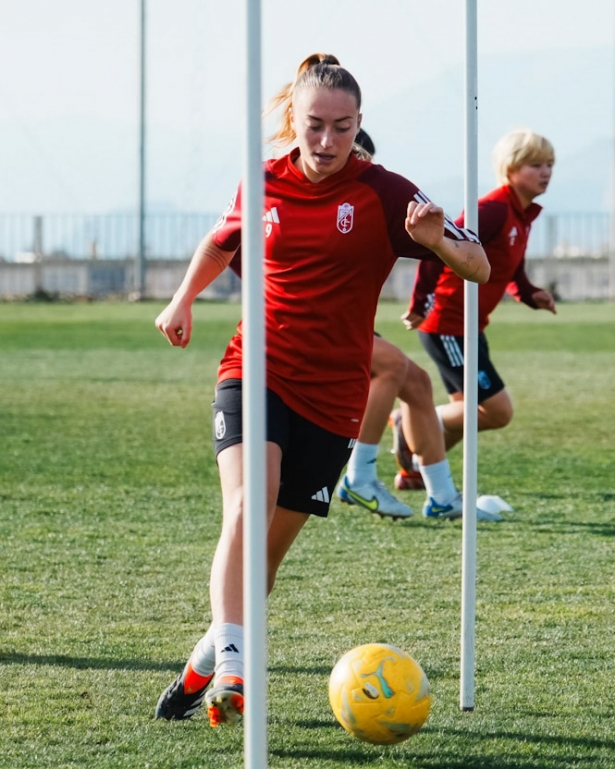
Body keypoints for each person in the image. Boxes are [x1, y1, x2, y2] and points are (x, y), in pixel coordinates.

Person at [153, 53, 490, 727]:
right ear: (293, 121)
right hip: (257, 366)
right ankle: (235, 670)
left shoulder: (385, 192)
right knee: (248, 504)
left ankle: (205, 660)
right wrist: (182, 299)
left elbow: (476, 265)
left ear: (358, 124)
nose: (328, 141)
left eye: (341, 127)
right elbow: (222, 242)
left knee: (265, 560)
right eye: (314, 126)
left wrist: (434, 241)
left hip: (334, 394)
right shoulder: (263, 182)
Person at [335, 129, 472, 522]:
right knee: (393, 367)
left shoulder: (371, 197)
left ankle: (443, 495)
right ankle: (359, 475)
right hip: (308, 327)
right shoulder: (301, 192)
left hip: (350, 324)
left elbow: (445, 251)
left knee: (418, 385)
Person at [401, 128, 556, 454]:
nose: (546, 172)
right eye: (535, 165)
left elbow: (509, 265)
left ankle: (416, 472)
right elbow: (438, 246)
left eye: (549, 164)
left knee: (468, 414)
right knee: (496, 412)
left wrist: (529, 294)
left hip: (470, 326)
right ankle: (410, 420)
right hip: (447, 325)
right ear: (511, 169)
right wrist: (420, 302)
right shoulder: (493, 209)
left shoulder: (521, 213)